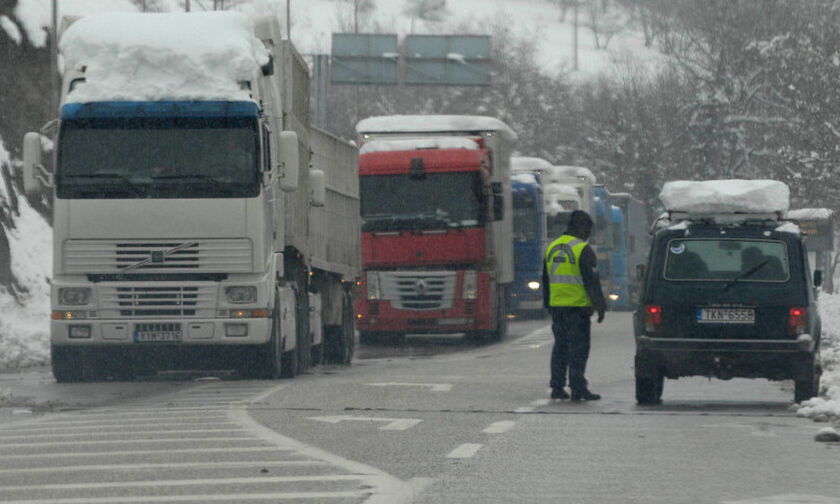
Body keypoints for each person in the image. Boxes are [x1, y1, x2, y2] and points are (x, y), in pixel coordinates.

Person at [542, 210, 607, 401]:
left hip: (557, 308)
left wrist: (548, 304)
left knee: (560, 347)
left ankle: (557, 387)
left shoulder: (551, 248)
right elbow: (592, 282)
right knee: (578, 349)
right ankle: (578, 388)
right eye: (588, 230)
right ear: (581, 227)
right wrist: (600, 306)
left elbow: (545, 280)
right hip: (577, 309)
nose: (588, 235)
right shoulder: (582, 249)